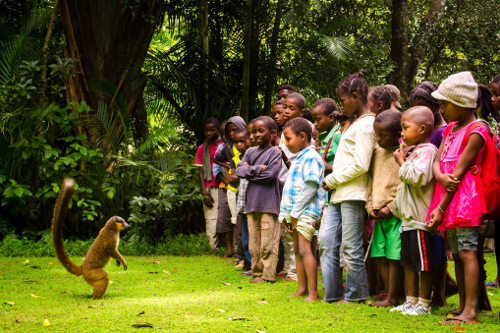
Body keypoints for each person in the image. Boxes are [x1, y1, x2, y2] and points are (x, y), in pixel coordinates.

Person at [427, 72, 489, 325]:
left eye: (445, 103)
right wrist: (440, 176)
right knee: (459, 251)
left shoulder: (477, 130)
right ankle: (463, 306)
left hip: (464, 200)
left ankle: (471, 312)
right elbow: (437, 162)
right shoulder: (450, 129)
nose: (441, 108)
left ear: (462, 104)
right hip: (449, 197)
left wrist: (441, 207)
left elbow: (459, 174)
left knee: (467, 253)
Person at [321, 70, 376, 303]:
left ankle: (356, 296)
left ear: (355, 96)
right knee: (325, 241)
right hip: (339, 193)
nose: (341, 107)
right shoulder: (354, 124)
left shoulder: (366, 124)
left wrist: (331, 179)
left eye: (343, 101)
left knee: (351, 247)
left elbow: (361, 165)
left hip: (353, 193)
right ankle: (333, 294)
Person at [408, 80, 457, 307]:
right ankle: (436, 294)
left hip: (434, 201)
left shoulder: (438, 135)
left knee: (434, 251)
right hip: (423, 204)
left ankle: (436, 295)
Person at [390, 106, 437, 316]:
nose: (401, 133)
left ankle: (424, 303)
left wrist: (402, 161)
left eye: (405, 127)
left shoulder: (428, 151)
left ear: (422, 129)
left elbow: (417, 178)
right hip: (408, 220)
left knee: (423, 264)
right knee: (408, 262)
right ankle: (411, 300)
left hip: (420, 219)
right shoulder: (415, 151)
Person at [280, 117, 325, 301]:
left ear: (302, 136)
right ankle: (302, 288)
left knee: (306, 249)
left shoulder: (312, 158)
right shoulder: (299, 158)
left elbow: (310, 187)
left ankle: (313, 292)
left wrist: (295, 213)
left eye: (288, 139)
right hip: (294, 213)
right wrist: (286, 214)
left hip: (305, 212)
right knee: (298, 249)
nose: (286, 144)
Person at [236, 116, 282, 283]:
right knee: (254, 243)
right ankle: (257, 274)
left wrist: (250, 171)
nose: (256, 134)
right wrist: (258, 170)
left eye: (260, 131)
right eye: (254, 131)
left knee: (268, 242)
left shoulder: (275, 152)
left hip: (269, 205)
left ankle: (268, 275)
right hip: (252, 205)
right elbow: (239, 171)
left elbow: (271, 174)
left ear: (272, 133)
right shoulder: (249, 152)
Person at [365, 110, 403, 307]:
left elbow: (406, 187)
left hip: (397, 216)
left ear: (398, 135)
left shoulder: (403, 154)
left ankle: (395, 297)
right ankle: (389, 294)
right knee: (379, 254)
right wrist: (370, 206)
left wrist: (391, 207)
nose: (378, 139)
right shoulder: (376, 153)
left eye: (383, 135)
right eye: (376, 135)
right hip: (377, 215)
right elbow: (370, 182)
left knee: (394, 256)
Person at [214, 116, 247, 258]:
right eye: (230, 131)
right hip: (233, 190)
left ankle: (246, 257)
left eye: (235, 129)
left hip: (247, 189)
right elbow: (216, 158)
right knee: (236, 222)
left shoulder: (250, 147)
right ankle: (240, 256)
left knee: (247, 223)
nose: (232, 133)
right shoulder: (227, 148)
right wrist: (228, 165)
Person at [194, 118, 222, 250]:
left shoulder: (225, 144)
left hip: (225, 185)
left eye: (212, 129)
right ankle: (212, 248)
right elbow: (200, 171)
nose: (209, 133)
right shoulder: (201, 148)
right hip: (210, 186)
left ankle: (233, 249)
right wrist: (204, 191)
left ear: (218, 130)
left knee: (231, 218)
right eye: (206, 130)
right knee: (211, 219)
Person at [233, 128, 253, 273]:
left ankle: (255, 266)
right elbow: (237, 173)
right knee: (245, 238)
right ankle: (248, 264)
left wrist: (248, 170)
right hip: (243, 206)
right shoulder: (243, 159)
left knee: (254, 238)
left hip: (254, 206)